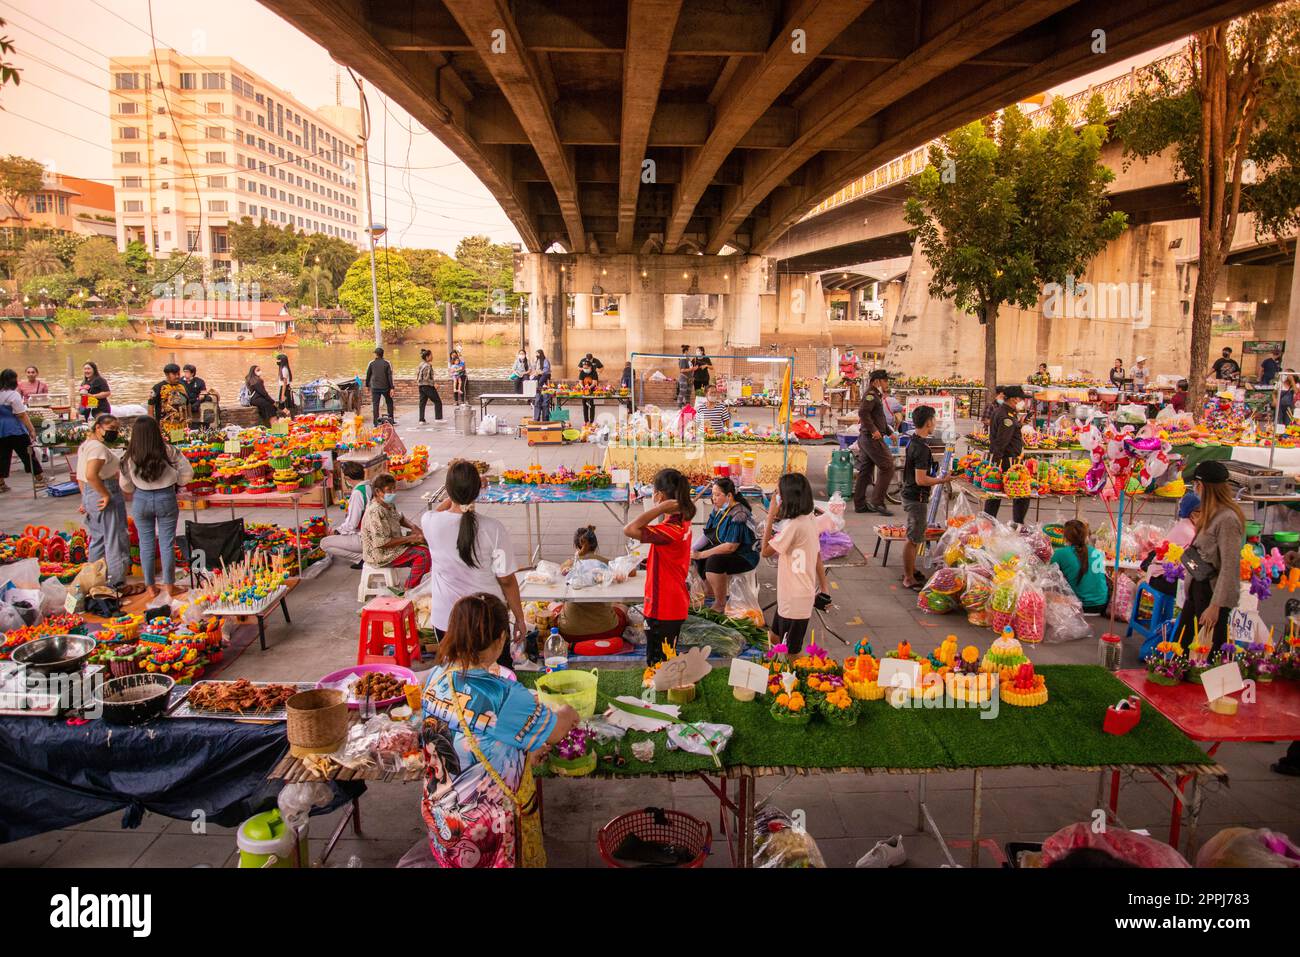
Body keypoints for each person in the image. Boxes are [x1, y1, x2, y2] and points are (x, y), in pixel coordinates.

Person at [420, 592, 578, 869]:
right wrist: (568, 712)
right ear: (501, 640)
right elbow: (555, 731)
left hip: (442, 815)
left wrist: (523, 756)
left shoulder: (436, 677)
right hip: (484, 827)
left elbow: (466, 739)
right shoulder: (504, 694)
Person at [421, 460, 525, 661]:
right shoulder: (493, 529)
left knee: (453, 680)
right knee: (497, 677)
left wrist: (457, 497)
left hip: (447, 621)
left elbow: (442, 511)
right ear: (477, 492)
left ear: (448, 491)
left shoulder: (429, 522)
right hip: (488, 620)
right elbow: (506, 580)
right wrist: (519, 618)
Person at [1170, 461, 1245, 655]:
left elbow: (1230, 567)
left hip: (1212, 592)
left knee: (1211, 650)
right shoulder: (1211, 513)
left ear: (1201, 486)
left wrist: (1215, 606)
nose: (1195, 489)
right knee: (1183, 644)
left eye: (1195, 485)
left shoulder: (1227, 518)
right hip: (1198, 585)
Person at [624, 468, 695, 666]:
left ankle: (660, 692)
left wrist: (659, 508)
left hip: (662, 606)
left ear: (660, 495)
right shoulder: (683, 518)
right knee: (667, 659)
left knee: (658, 664)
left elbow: (629, 529)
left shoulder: (669, 530)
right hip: (674, 601)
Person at [119, 415, 192, 601]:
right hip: (165, 497)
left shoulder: (129, 456)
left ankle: (150, 586)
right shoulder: (168, 451)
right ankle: (170, 585)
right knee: (167, 543)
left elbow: (125, 485)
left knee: (146, 543)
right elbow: (187, 474)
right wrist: (175, 479)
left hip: (141, 499)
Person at [760, 472, 829, 655]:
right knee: (774, 638)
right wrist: (824, 588)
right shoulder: (809, 518)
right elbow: (817, 555)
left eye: (778, 493)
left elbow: (765, 551)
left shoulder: (794, 525)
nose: (775, 496)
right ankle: (775, 673)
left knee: (790, 652)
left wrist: (770, 516)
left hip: (794, 599)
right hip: (792, 595)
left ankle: (789, 680)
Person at [77, 413, 134, 595]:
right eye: (111, 430)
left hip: (91, 493)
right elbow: (90, 475)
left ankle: (92, 580)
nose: (114, 433)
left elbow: (82, 477)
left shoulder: (86, 446)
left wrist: (85, 498)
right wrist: (105, 494)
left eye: (117, 430)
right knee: (114, 538)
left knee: (98, 539)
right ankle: (117, 583)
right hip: (103, 490)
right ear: (98, 428)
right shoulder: (98, 449)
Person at [900, 406, 954, 589]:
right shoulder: (921, 448)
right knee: (914, 538)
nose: (935, 423)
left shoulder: (912, 441)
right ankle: (908, 577)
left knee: (914, 535)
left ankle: (911, 570)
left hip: (910, 494)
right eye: (934, 420)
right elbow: (921, 480)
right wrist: (942, 480)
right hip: (916, 498)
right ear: (929, 422)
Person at [692, 477, 760, 609]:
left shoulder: (739, 514)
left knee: (713, 561)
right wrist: (693, 551)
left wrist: (701, 554)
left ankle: (720, 602)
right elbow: (708, 534)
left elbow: (730, 547)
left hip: (744, 555)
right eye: (713, 495)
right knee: (699, 556)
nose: (714, 498)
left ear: (729, 495)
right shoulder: (719, 509)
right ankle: (710, 593)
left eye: (717, 495)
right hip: (725, 548)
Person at [360, 473, 430, 589]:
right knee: (423, 554)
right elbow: (382, 543)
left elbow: (399, 518)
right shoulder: (375, 512)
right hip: (380, 555)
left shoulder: (388, 504)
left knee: (426, 544)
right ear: (377, 491)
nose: (393, 493)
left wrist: (414, 527)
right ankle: (409, 590)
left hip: (392, 546)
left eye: (394, 489)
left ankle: (417, 583)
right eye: (389, 490)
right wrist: (411, 538)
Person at [556, 526, 625, 640]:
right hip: (608, 631)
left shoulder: (569, 565)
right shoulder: (606, 563)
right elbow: (631, 572)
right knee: (622, 608)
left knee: (554, 607)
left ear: (576, 546)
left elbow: (561, 574)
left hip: (570, 633)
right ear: (595, 545)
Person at [984, 385, 1030, 525]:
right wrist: (995, 465)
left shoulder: (1003, 412)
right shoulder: (1006, 416)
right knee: (1021, 492)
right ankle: (1017, 523)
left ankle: (988, 523)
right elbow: (1002, 441)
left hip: (1005, 459)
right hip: (1007, 461)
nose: (1023, 402)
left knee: (995, 494)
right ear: (1015, 399)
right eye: (1021, 399)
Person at [853, 369, 896, 515]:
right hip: (871, 439)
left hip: (867, 438)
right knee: (888, 466)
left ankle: (860, 504)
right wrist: (873, 430)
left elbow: (878, 417)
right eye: (885, 381)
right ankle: (877, 501)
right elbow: (863, 413)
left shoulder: (876, 395)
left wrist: (889, 432)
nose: (886, 384)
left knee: (865, 471)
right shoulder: (871, 395)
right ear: (877, 381)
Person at [0, 368, 45, 493]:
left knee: (2, 456)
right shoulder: (13, 395)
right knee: (27, 454)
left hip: (1, 429)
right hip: (15, 429)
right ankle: (39, 478)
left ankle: (1, 482)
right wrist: (31, 429)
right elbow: (22, 414)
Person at [1050, 520, 1110, 613]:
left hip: (1080, 606)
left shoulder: (1060, 553)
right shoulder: (1097, 552)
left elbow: (1050, 576)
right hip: (1102, 603)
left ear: (1065, 537)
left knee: (1044, 590)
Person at [320, 461, 370, 567]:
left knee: (324, 543)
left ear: (347, 478)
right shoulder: (369, 487)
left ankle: (361, 559)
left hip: (364, 538)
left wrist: (337, 531)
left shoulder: (357, 493)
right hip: (372, 534)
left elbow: (352, 524)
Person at [148, 363, 190, 434]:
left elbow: (187, 403)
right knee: (167, 444)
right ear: (167, 375)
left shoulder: (182, 386)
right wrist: (152, 424)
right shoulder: (158, 387)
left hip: (181, 425)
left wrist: (190, 417)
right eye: (174, 374)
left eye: (178, 374)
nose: (177, 376)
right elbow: (151, 405)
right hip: (164, 426)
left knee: (180, 444)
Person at [365, 347, 395, 424]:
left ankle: (376, 422)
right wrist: (392, 388)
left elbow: (368, 375)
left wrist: (367, 386)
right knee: (389, 402)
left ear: (376, 354)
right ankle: (391, 420)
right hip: (385, 387)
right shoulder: (387, 363)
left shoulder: (371, 363)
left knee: (375, 404)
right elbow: (389, 376)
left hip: (375, 387)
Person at [415, 349, 443, 423]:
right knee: (437, 401)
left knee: (422, 403)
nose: (432, 357)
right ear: (427, 357)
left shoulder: (421, 364)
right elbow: (426, 378)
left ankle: (421, 420)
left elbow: (418, 375)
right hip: (427, 386)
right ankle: (438, 418)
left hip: (421, 386)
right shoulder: (428, 366)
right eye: (431, 355)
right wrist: (434, 384)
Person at [577, 354, 599, 425]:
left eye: (586, 368)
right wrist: (583, 387)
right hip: (584, 391)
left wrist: (590, 387)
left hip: (592, 391)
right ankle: (586, 421)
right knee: (585, 406)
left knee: (592, 406)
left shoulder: (594, 372)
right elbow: (580, 382)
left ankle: (591, 421)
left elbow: (594, 382)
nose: (585, 369)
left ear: (590, 367)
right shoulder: (582, 372)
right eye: (584, 368)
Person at [530, 350, 552, 421]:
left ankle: (540, 389)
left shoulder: (545, 360)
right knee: (533, 379)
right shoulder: (537, 360)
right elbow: (534, 368)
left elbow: (546, 369)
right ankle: (536, 390)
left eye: (537, 354)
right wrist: (535, 361)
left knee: (541, 380)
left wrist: (540, 372)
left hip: (545, 373)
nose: (537, 355)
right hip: (539, 373)